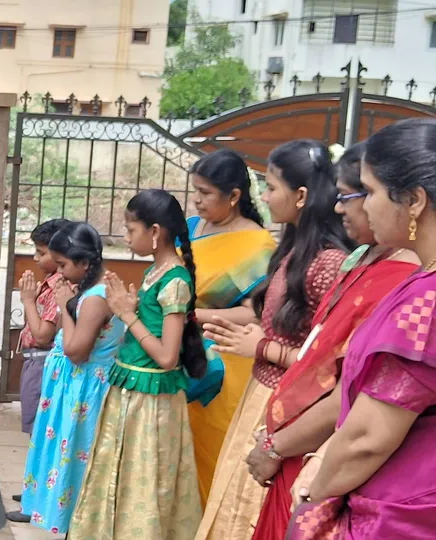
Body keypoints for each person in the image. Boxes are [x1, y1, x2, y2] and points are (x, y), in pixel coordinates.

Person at [246, 144, 418, 539]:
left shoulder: (410, 287)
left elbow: (354, 396)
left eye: (357, 195)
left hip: (323, 455)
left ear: (410, 200)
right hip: (297, 442)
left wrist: (279, 447)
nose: (337, 208)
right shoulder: (361, 257)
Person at [195, 140, 353, 540]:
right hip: (259, 396)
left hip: (289, 408)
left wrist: (263, 348)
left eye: (271, 187)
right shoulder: (293, 248)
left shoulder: (329, 262)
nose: (262, 197)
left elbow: (333, 365)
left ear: (300, 196)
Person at [288, 118, 436, 539]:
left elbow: (368, 438)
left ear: (414, 201)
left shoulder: (427, 302)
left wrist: (313, 491)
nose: (359, 206)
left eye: (368, 191)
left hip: (401, 511)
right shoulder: (421, 283)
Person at [70, 189, 206, 539]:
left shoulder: (175, 280)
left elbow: (166, 356)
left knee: (145, 482)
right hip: (130, 395)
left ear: (155, 232)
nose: (127, 238)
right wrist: (133, 308)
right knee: (121, 476)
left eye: (131, 230)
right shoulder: (154, 272)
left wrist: (128, 316)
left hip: (151, 404)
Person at [11, 222, 125, 535]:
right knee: (60, 452)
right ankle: (51, 511)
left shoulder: (95, 298)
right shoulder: (85, 291)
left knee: (75, 454)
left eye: (62, 265)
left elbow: (77, 351)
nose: (59, 273)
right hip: (69, 387)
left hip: (83, 390)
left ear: (85, 262)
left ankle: (73, 518)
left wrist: (62, 303)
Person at [182, 149, 277, 503]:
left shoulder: (257, 246)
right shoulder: (191, 230)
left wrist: (190, 315)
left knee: (214, 458)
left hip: (225, 364)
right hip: (179, 358)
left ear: (234, 196)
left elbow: (255, 314)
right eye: (195, 190)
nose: (197, 200)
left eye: (205, 193)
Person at [17, 218, 72, 435]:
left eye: (41, 252)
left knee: (39, 430)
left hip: (43, 363)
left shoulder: (60, 286)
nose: (35, 258)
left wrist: (28, 300)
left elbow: (42, 336)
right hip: (34, 361)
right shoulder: (50, 282)